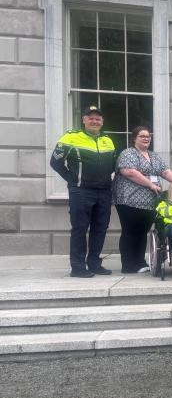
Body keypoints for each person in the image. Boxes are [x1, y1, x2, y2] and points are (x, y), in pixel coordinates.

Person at [50, 105, 116, 278]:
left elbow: (113, 165)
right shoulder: (71, 137)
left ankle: (94, 263)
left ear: (102, 121)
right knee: (80, 229)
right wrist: (73, 179)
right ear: (84, 120)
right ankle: (78, 267)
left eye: (98, 118)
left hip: (104, 192)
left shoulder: (107, 140)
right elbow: (55, 162)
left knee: (100, 228)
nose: (94, 121)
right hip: (81, 192)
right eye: (91, 118)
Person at [113, 126, 172, 274]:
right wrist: (150, 184)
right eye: (142, 136)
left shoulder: (153, 156)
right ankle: (128, 265)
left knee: (142, 232)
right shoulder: (128, 153)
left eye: (148, 136)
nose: (146, 138)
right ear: (134, 138)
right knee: (130, 231)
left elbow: (165, 171)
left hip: (149, 202)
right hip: (129, 200)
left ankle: (139, 262)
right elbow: (129, 172)